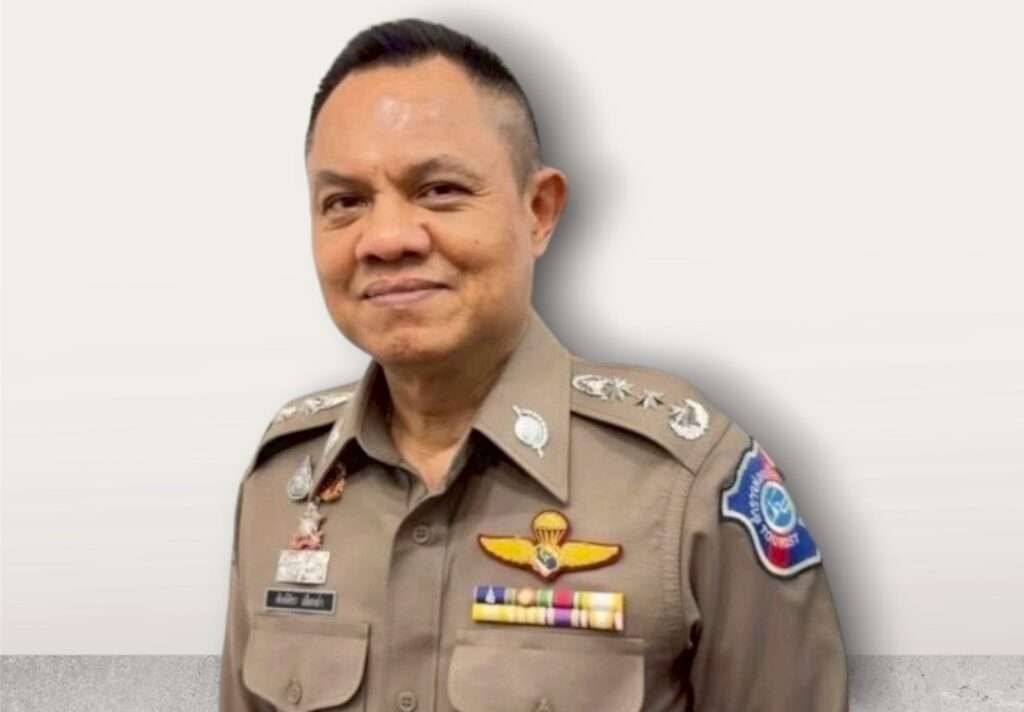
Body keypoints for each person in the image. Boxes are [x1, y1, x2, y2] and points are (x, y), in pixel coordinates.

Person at [218, 17, 848, 712]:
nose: (387, 238)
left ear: (539, 211)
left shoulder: (685, 485)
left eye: (439, 190)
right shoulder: (283, 484)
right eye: (344, 203)